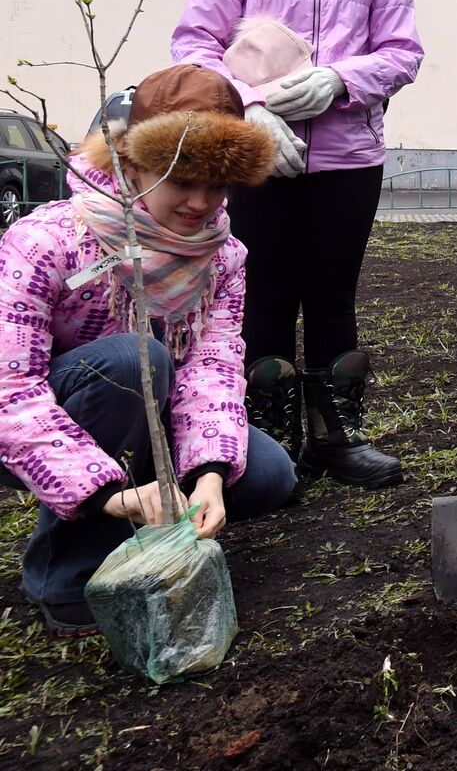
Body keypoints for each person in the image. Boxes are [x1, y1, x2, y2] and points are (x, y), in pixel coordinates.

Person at [0, 64, 299, 637]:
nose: (200, 203)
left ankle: (155, 519)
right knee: (129, 360)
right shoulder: (49, 240)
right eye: (181, 180)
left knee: (268, 476)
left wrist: (209, 473)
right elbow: (11, 390)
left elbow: (212, 366)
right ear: (133, 164)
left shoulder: (222, 256)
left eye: (218, 185)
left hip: (146, 417)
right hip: (33, 420)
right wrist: (106, 492)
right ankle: (68, 571)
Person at [172, 0, 423, 487]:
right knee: (266, 296)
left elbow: (403, 54)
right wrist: (249, 107)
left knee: (334, 296)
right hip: (259, 154)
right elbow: (194, 46)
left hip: (349, 158)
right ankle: (269, 448)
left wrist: (341, 79)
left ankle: (337, 436)